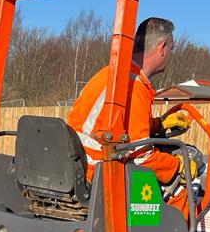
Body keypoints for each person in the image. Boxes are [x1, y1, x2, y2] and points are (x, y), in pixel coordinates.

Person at [66, 17, 193, 216]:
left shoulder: (111, 74)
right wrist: (178, 166)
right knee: (179, 191)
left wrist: (160, 124)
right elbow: (142, 157)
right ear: (162, 47)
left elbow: (117, 125)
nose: (171, 53)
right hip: (99, 173)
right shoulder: (134, 87)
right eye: (172, 47)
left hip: (78, 165)